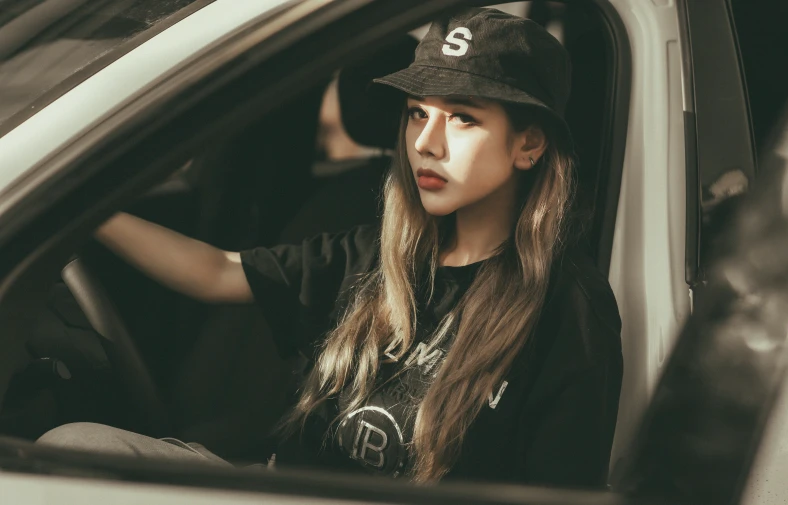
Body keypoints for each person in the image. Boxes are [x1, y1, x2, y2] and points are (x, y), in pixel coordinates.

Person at [38, 8, 623, 489]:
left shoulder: (567, 310)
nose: (426, 142)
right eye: (418, 114)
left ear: (530, 144)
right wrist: (82, 209)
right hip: (279, 490)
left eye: (462, 119)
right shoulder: (376, 254)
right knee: (70, 448)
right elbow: (214, 271)